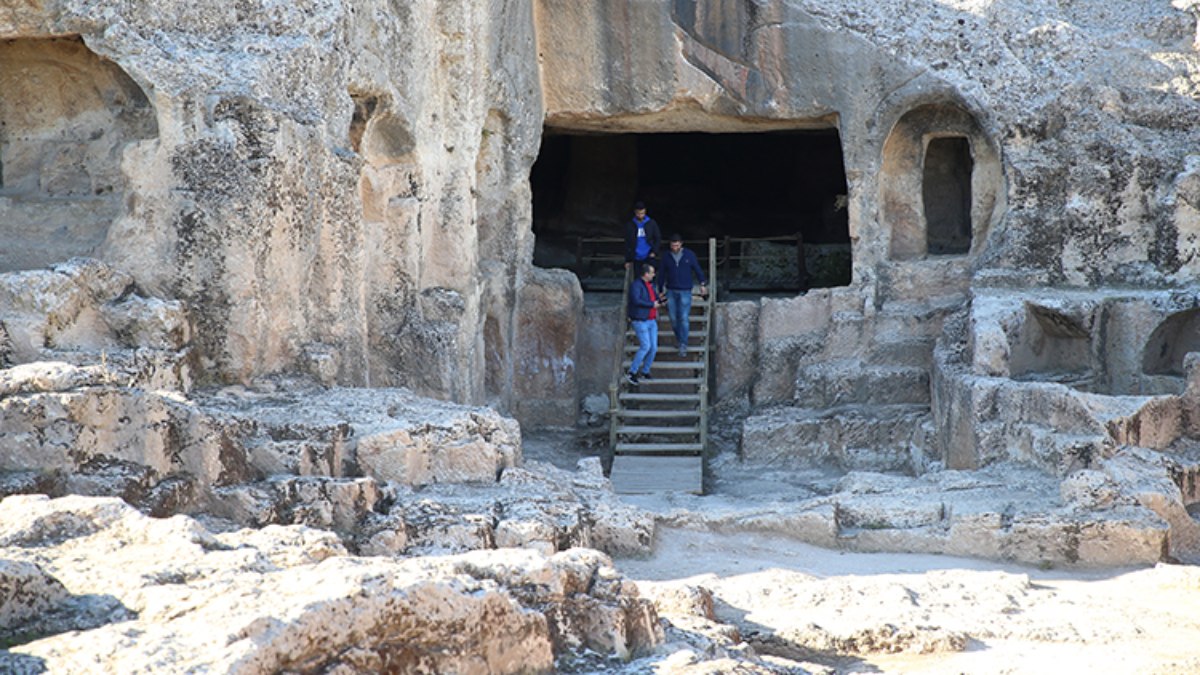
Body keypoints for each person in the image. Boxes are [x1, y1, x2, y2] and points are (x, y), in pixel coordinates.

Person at [657, 234, 707, 357]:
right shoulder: (666, 256)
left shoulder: (689, 255)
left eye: (677, 245)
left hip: (685, 290)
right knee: (673, 318)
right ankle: (680, 340)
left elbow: (697, 269)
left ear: (681, 244)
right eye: (673, 245)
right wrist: (660, 290)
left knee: (683, 317)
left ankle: (683, 344)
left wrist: (702, 283)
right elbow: (661, 273)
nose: (675, 247)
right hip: (671, 290)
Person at [625, 262, 663, 386]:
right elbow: (636, 300)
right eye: (652, 272)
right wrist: (652, 304)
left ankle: (645, 371)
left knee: (653, 347)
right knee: (645, 346)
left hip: (651, 320)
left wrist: (660, 300)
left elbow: (654, 298)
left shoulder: (650, 285)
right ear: (646, 274)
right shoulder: (636, 285)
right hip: (640, 320)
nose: (653, 275)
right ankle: (632, 372)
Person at [623, 201, 661, 275]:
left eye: (642, 213)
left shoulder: (651, 223)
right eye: (638, 213)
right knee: (638, 277)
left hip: (649, 255)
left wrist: (654, 251)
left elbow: (657, 238)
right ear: (635, 212)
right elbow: (627, 242)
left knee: (650, 276)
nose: (640, 215)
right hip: (636, 257)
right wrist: (628, 259)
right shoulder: (630, 225)